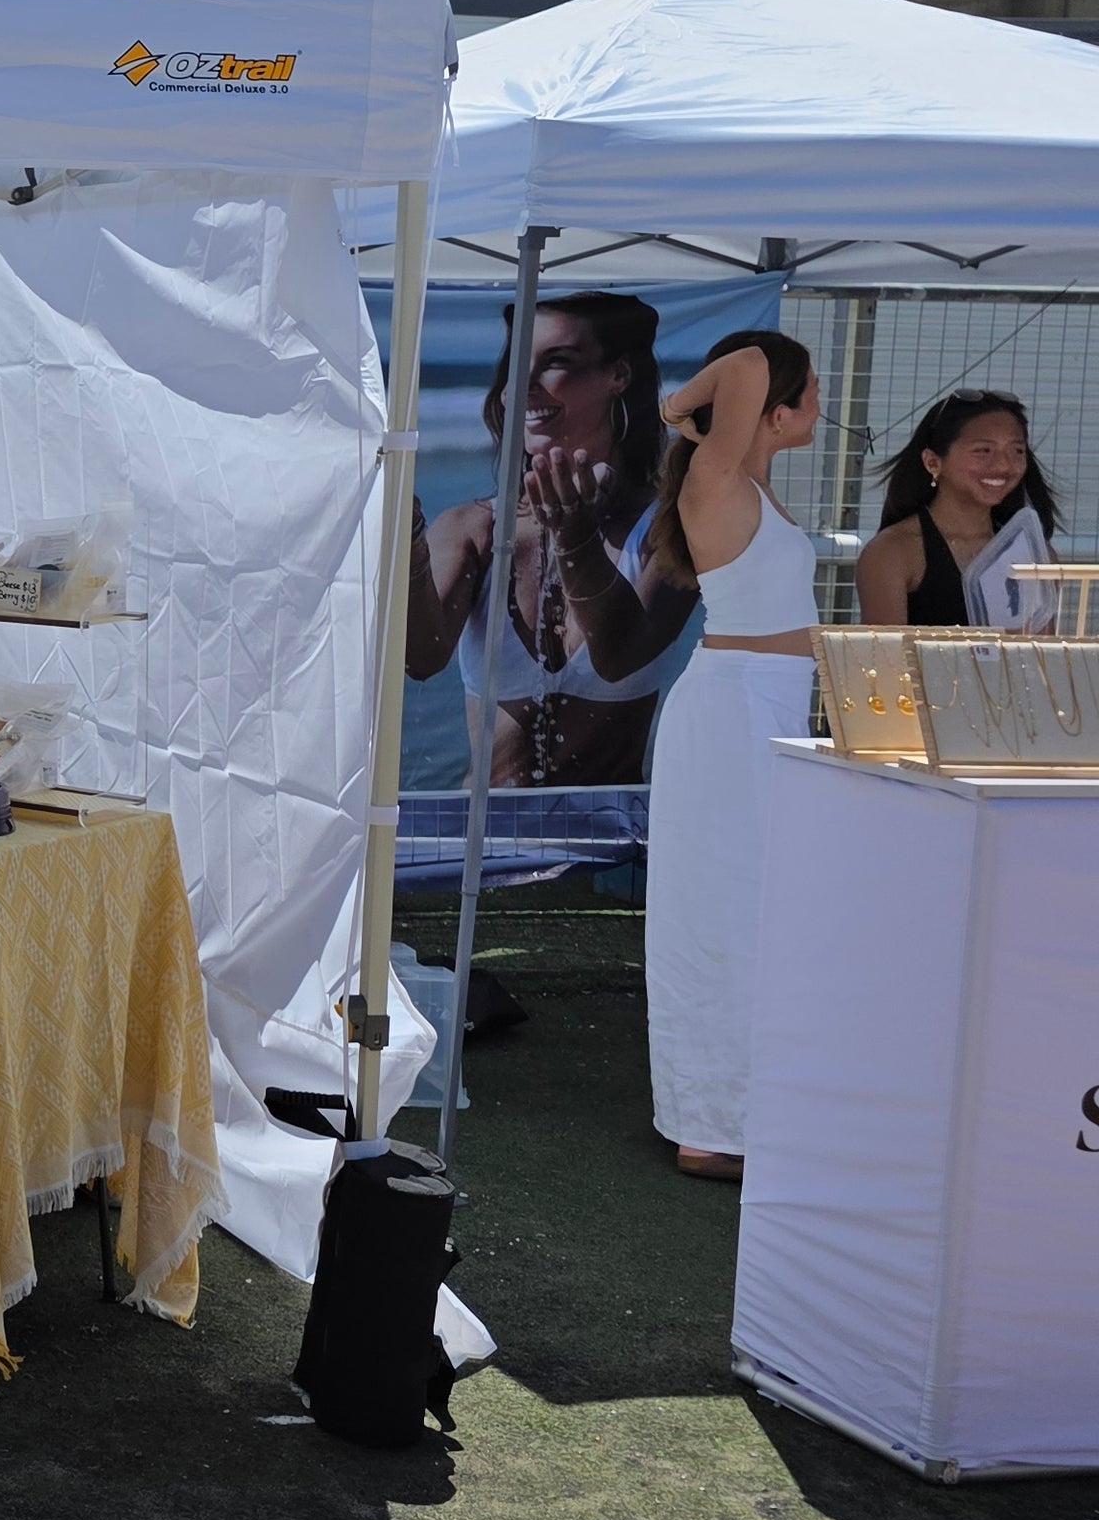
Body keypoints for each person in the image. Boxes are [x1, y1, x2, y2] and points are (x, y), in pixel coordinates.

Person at [637, 332, 823, 1182]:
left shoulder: (746, 482)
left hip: (762, 705)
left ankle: (743, 1108)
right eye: (810, 392)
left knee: (753, 908)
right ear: (775, 410)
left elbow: (748, 380)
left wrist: (696, 416)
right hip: (733, 710)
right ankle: (709, 1126)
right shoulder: (715, 478)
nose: (820, 407)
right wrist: (683, 409)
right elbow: (748, 363)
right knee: (720, 911)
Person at [406, 293, 698, 786]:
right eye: (516, 366)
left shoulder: (668, 527)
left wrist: (575, 540)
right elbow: (420, 657)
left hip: (608, 850)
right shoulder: (473, 528)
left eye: (556, 362)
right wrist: (408, 540)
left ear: (619, 376)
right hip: (485, 847)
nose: (522, 385)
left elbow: (618, 656)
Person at [852, 390, 1060, 628]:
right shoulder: (893, 552)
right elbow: (884, 659)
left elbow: (1041, 656)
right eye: (983, 451)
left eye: (1017, 451)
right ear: (933, 462)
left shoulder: (1034, 553)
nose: (1003, 465)